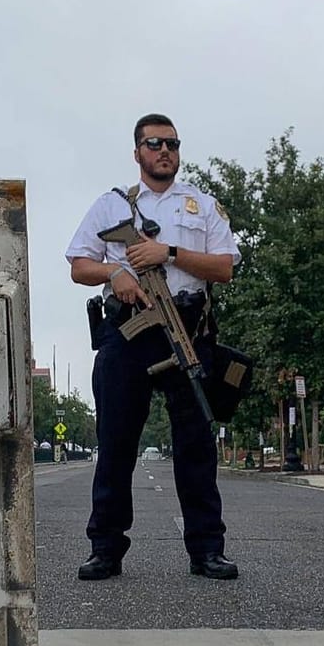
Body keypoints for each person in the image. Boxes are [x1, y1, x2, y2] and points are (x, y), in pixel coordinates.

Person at [65, 114, 242, 582]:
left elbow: (224, 267)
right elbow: (80, 265)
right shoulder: (111, 206)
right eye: (154, 143)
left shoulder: (200, 205)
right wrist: (116, 273)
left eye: (172, 144)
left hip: (188, 326)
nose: (164, 151)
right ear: (137, 152)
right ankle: (105, 548)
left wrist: (170, 254)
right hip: (129, 331)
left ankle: (207, 549)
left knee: (196, 446)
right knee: (116, 444)